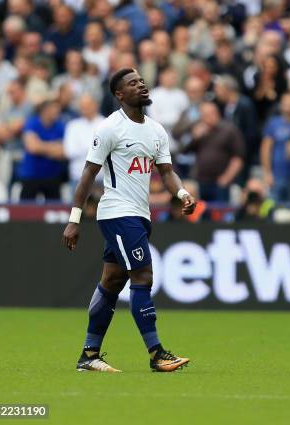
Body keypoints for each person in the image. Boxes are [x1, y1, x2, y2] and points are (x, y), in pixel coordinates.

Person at [62, 68, 196, 373]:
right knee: (143, 276)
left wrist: (182, 192)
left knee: (111, 281)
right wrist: (74, 219)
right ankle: (156, 353)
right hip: (117, 213)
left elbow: (166, 172)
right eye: (133, 83)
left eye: (141, 80)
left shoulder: (156, 131)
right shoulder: (110, 128)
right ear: (119, 95)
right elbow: (87, 174)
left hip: (139, 214)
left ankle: (89, 355)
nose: (142, 85)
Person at [182, 101, 245, 202]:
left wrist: (227, 178)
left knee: (219, 213)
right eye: (204, 115)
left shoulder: (229, 130)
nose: (207, 118)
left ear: (216, 113)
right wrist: (195, 138)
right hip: (200, 181)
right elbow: (184, 151)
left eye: (210, 114)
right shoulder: (199, 130)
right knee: (201, 214)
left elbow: (238, 158)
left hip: (221, 181)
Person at [19, 100, 66, 201]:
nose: (58, 112)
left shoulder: (60, 126)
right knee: (25, 211)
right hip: (31, 176)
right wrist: (53, 147)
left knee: (55, 212)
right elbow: (32, 147)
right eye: (55, 110)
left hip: (53, 176)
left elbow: (63, 152)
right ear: (46, 111)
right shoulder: (32, 123)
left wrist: (40, 145)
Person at [261, 92, 290, 201]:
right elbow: (265, 149)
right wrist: (267, 173)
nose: (287, 106)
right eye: (285, 103)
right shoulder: (274, 123)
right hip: (277, 174)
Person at [63, 94, 105, 190]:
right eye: (82, 106)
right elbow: (69, 152)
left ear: (96, 105)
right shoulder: (73, 125)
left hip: (102, 177)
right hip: (78, 177)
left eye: (88, 105)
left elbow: (109, 150)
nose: (84, 108)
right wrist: (94, 148)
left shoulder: (106, 123)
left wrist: (84, 148)